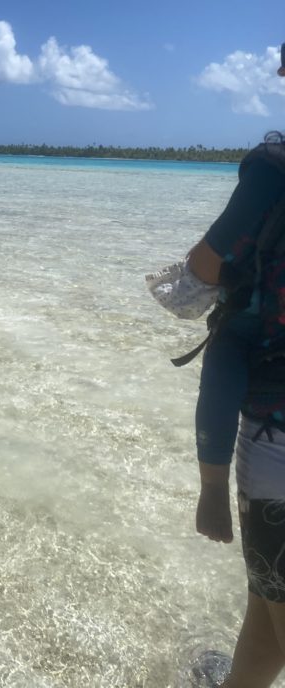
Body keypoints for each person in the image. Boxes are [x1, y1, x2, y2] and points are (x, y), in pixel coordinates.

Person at [148, 48, 285, 688]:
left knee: (228, 337)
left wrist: (218, 278)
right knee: (267, 606)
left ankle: (210, 489)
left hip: (276, 436)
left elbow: (207, 265)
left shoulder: (271, 170)